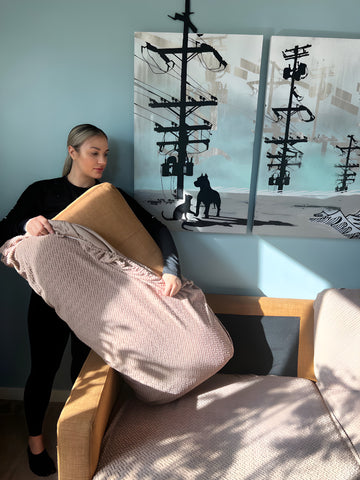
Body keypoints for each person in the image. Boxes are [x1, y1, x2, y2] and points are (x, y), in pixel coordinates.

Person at [0, 124, 182, 476]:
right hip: (48, 301)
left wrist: (171, 269)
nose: (102, 160)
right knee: (42, 370)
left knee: (85, 375)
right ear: (72, 152)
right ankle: (35, 441)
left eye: (106, 154)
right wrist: (27, 224)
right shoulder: (42, 192)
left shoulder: (109, 197)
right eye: (93, 152)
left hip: (98, 305)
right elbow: (3, 227)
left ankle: (78, 437)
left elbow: (157, 228)